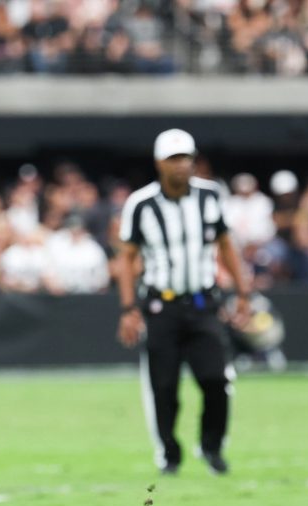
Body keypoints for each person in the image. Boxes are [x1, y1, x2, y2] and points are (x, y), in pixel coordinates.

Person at [113, 129, 251, 476]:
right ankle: (169, 455)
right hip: (161, 306)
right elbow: (126, 258)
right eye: (174, 158)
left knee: (216, 380)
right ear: (159, 163)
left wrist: (243, 292)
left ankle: (212, 447)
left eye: (186, 157)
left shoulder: (210, 195)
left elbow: (225, 245)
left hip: (204, 303)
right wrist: (129, 308)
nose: (181, 165)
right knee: (163, 387)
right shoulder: (141, 203)